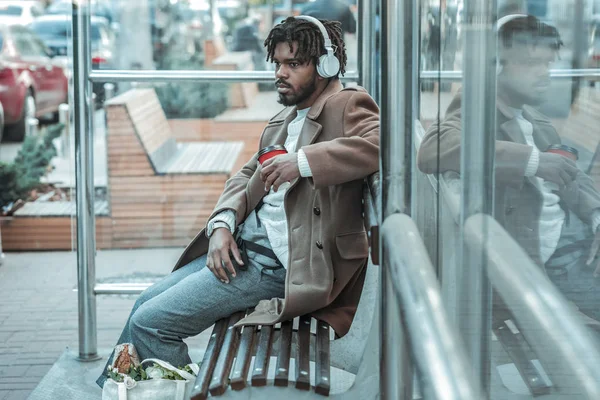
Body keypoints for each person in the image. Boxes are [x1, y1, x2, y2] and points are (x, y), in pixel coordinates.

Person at [97, 15, 379, 387]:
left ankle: (164, 394)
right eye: (277, 63)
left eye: (294, 64)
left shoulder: (348, 104)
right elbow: (245, 176)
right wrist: (221, 226)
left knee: (152, 323)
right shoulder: (286, 118)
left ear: (326, 65)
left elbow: (382, 143)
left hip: (282, 267)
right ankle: (123, 393)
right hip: (243, 250)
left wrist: (302, 163)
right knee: (142, 308)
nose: (280, 72)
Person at [417, 14, 600, 322]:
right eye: (530, 64)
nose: (544, 74)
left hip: (576, 240)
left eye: (548, 63)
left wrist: (597, 217)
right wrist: (533, 161)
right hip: (558, 255)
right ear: (495, 67)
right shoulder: (476, 107)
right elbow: (433, 147)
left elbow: (572, 175)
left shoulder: (530, 116)